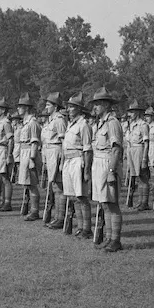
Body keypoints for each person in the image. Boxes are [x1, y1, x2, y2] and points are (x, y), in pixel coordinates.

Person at [90, 87, 124, 252]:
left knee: (112, 203)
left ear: (106, 105)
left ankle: (115, 240)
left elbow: (116, 149)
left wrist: (111, 171)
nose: (95, 107)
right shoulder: (100, 123)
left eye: (97, 104)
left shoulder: (112, 123)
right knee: (104, 203)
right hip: (98, 163)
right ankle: (109, 238)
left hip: (107, 164)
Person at [61, 92, 94, 237]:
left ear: (79, 109)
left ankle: (86, 228)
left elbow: (87, 149)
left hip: (78, 161)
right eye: (68, 107)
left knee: (81, 196)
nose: (68, 110)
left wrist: (86, 170)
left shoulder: (84, 125)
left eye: (72, 107)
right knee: (73, 196)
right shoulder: (70, 124)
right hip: (68, 161)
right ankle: (79, 227)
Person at [41, 92, 67, 228]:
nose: (46, 107)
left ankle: (60, 217)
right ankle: (56, 216)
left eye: (48, 104)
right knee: (54, 186)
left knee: (59, 187)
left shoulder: (59, 120)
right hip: (49, 152)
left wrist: (63, 160)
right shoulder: (50, 120)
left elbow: (64, 142)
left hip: (57, 152)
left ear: (55, 106)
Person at [16, 93, 41, 221]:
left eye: (20, 107)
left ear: (26, 108)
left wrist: (32, 159)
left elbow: (35, 142)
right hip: (24, 153)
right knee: (27, 183)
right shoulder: (25, 122)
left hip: (29, 155)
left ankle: (35, 211)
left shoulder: (32, 123)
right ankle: (31, 209)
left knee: (32, 184)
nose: (18, 109)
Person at [124, 100, 150, 210]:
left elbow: (146, 142)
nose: (130, 115)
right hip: (131, 149)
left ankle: (144, 202)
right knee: (137, 177)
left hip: (139, 150)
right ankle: (140, 201)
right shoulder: (130, 125)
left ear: (138, 113)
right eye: (130, 112)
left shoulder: (143, 125)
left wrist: (144, 158)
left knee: (143, 177)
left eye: (132, 112)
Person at [0, 97, 14, 211]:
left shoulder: (6, 123)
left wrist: (9, 155)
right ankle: (0, 200)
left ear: (3, 110)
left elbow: (10, 139)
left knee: (5, 178)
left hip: (3, 151)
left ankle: (7, 203)